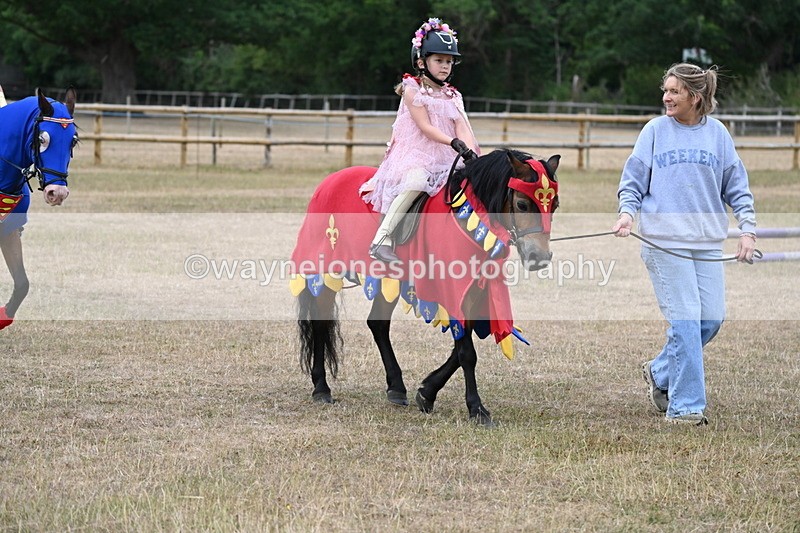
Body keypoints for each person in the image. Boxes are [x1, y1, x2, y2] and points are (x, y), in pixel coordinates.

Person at [611, 63, 757, 425]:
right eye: (666, 90)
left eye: (674, 91)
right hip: (663, 242)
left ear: (695, 96)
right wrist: (627, 213)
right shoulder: (655, 131)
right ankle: (686, 408)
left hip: (706, 242)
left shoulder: (718, 135)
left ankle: (660, 372)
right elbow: (633, 180)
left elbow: (736, 187)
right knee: (687, 320)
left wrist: (748, 229)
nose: (666, 97)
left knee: (711, 319)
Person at [360, 17, 480, 263]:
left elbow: (462, 125)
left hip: (448, 153)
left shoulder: (452, 95)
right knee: (416, 181)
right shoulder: (411, 89)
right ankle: (381, 240)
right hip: (416, 152)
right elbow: (425, 127)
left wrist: (468, 150)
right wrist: (453, 142)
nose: (445, 66)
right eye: (439, 60)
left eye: (449, 61)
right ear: (421, 61)